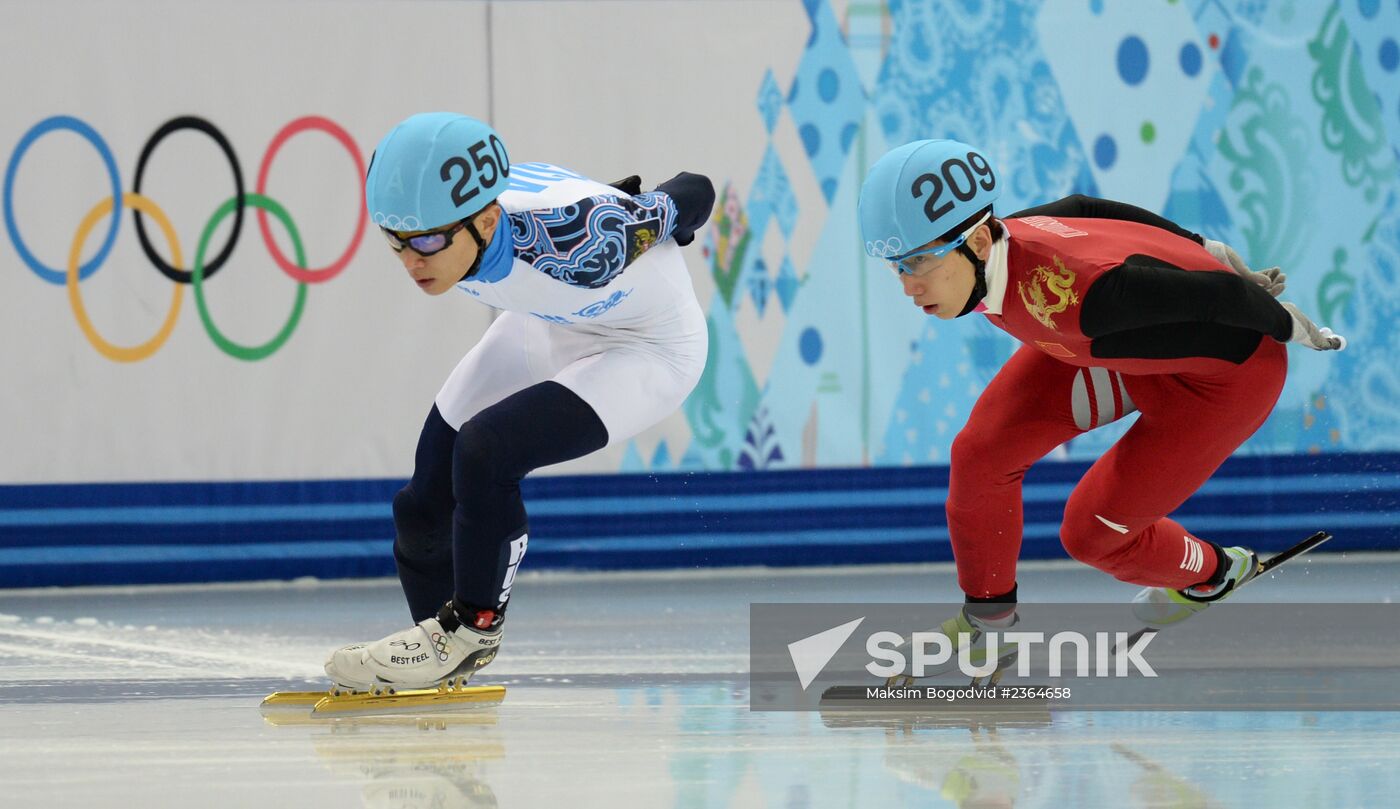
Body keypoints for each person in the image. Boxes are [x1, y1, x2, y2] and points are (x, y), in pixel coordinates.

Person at [856, 139, 1344, 633]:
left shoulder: (1087, 297)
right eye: (897, 265)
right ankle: (988, 625)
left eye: (919, 262)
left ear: (979, 244)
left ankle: (1216, 573)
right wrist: (1199, 244)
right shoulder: (1004, 239)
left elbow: (1225, 293)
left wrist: (1290, 326)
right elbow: (1083, 208)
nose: (908, 285)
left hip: (1221, 386)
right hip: (1118, 349)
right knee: (981, 454)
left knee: (1090, 537)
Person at [326, 112, 713, 690]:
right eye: (396, 242)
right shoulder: (455, 224)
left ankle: (471, 632)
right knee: (420, 503)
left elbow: (698, 190)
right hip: (554, 318)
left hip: (653, 345)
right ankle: (437, 656)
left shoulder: (580, 240)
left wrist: (646, 217)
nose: (412, 261)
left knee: (487, 452)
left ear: (485, 220)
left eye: (429, 241)